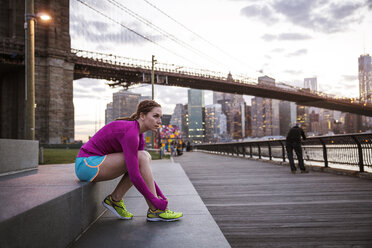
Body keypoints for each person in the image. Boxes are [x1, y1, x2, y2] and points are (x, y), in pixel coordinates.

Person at [75, 100, 182, 222]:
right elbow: (134, 175)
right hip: (87, 164)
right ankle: (155, 210)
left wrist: (161, 198)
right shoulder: (130, 132)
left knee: (144, 157)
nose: (160, 121)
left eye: (161, 117)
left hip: (96, 163)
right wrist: (156, 201)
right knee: (143, 156)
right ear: (142, 116)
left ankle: (115, 199)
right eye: (155, 116)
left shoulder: (138, 134)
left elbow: (143, 172)